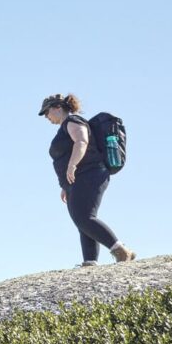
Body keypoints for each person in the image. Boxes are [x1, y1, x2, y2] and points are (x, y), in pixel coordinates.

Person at [38, 93, 135, 266]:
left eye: (47, 112)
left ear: (58, 108)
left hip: (90, 173)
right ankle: (90, 262)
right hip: (77, 179)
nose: (46, 117)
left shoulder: (73, 121)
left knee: (85, 217)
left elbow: (81, 141)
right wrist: (65, 185)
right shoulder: (64, 127)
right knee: (81, 220)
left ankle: (121, 251)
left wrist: (72, 166)